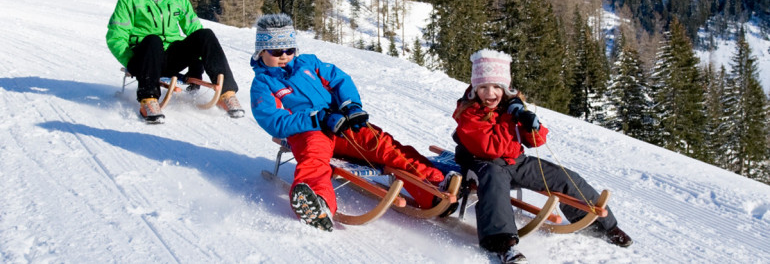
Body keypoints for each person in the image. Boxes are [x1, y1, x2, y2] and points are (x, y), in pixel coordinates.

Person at [249, 13, 447, 231]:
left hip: (340, 123)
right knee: (313, 159)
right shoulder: (263, 83)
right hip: (307, 132)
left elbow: (340, 79)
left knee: (381, 143)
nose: (284, 56)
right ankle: (318, 204)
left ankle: (433, 188)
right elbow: (274, 121)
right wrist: (317, 119)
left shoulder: (309, 63)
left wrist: (351, 106)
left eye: (289, 50)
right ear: (261, 51)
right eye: (277, 51)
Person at [451, 49, 633, 263]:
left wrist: (530, 124)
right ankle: (502, 244)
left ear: (505, 88)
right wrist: (511, 118)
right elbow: (491, 148)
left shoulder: (510, 106)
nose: (489, 93)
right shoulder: (469, 113)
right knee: (495, 184)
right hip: (483, 164)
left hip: (516, 161)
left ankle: (602, 226)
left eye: (496, 87)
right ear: (474, 88)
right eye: (483, 87)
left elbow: (536, 141)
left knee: (563, 177)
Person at [106, 0, 244, 124]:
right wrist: (130, 62)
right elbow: (116, 37)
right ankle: (148, 99)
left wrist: (196, 64)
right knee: (153, 39)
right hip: (146, 58)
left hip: (170, 58)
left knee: (205, 35)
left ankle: (226, 94)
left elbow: (194, 29)